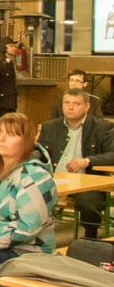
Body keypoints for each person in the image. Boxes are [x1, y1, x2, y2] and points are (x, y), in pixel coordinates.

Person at [0, 113, 57, 263]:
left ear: (26, 141)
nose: (1, 139)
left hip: (26, 250)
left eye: (11, 134)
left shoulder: (35, 176)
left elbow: (27, 228)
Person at [38, 89, 114, 239]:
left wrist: (87, 161)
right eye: (66, 103)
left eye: (76, 104)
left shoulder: (101, 127)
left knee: (89, 201)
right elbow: (38, 153)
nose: (70, 107)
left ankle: (89, 237)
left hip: (88, 183)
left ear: (87, 107)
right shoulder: (50, 127)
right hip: (53, 180)